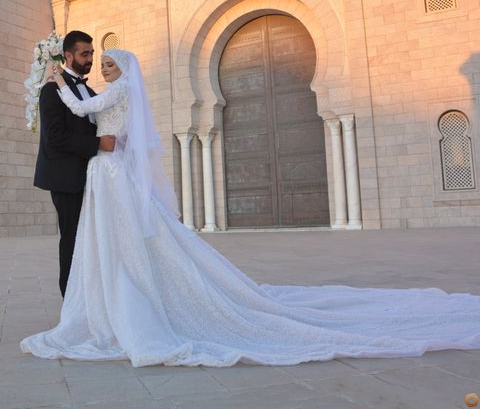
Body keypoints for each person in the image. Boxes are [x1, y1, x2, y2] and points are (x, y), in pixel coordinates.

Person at [21, 49, 480, 368]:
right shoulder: (115, 92)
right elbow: (90, 116)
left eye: (108, 62)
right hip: (105, 173)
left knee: (124, 239)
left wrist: (56, 80)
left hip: (111, 173)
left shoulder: (116, 91)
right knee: (115, 239)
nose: (102, 66)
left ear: (124, 68)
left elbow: (83, 109)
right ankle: (115, 297)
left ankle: (128, 302)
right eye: (98, 60)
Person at [33, 30, 116, 297]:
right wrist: (97, 144)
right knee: (71, 238)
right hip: (65, 178)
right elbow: (55, 138)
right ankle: (70, 298)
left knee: (88, 239)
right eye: (84, 54)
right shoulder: (51, 90)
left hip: (89, 176)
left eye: (91, 53)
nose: (90, 59)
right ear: (68, 56)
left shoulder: (89, 91)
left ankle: (88, 296)